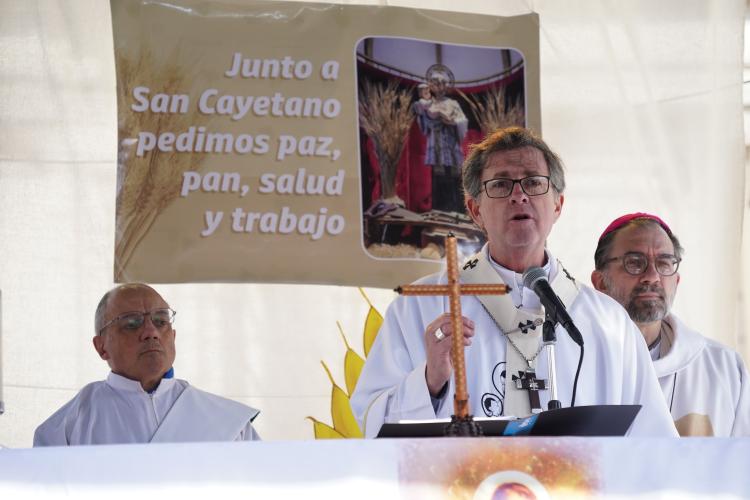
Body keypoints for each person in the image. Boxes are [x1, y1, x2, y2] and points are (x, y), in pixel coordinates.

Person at [350, 127, 677, 437]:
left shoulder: (609, 324)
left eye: (534, 183)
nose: (519, 196)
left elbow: (652, 442)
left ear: (558, 205)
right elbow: (370, 423)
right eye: (501, 185)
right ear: (475, 210)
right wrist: (429, 380)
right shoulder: (419, 307)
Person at [34, 283, 260, 446]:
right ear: (101, 346)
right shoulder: (68, 426)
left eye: (161, 321)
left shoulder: (227, 422)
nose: (151, 332)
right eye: (132, 323)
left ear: (173, 336)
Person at [591, 213, 750, 436]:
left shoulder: (724, 368)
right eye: (635, 263)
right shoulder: (575, 359)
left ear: (676, 281)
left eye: (664, 263)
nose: (652, 276)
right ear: (600, 282)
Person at [413, 64, 468, 214]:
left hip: (450, 144)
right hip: (436, 144)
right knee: (438, 177)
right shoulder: (428, 103)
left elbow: (463, 122)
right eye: (435, 83)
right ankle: (439, 212)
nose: (439, 86)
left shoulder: (453, 103)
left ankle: (456, 212)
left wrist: (452, 122)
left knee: (455, 178)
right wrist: (423, 116)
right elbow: (424, 124)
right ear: (431, 86)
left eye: (442, 83)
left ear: (446, 86)